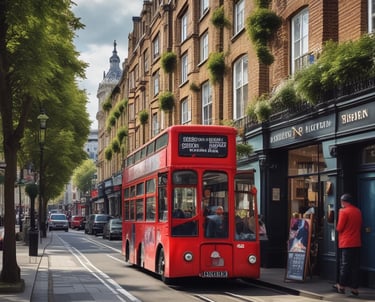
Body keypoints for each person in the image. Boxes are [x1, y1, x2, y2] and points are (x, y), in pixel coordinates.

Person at [333, 193, 362, 296]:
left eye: (341, 201)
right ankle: (355, 288)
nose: (341, 203)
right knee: (355, 266)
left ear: (344, 202)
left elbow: (339, 228)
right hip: (356, 242)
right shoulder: (358, 211)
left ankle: (341, 286)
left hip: (346, 242)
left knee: (344, 265)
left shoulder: (343, 211)